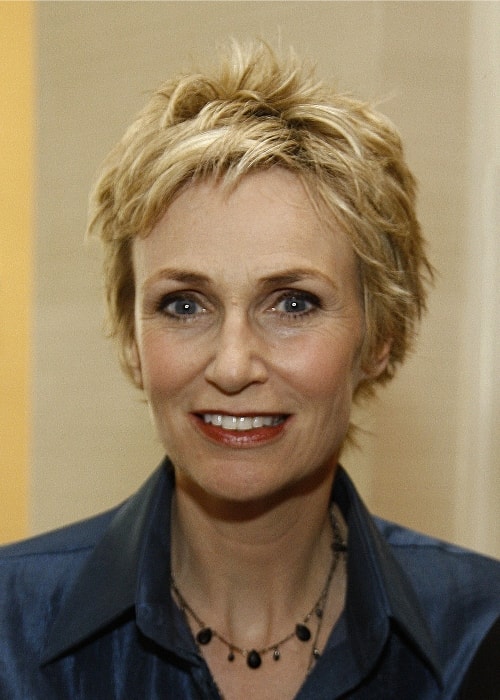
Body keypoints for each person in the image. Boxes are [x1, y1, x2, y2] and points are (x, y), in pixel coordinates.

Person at [0, 40, 498, 699]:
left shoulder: (480, 635)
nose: (233, 364)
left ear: (380, 334)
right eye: (184, 304)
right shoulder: (12, 633)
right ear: (130, 338)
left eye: (294, 303)